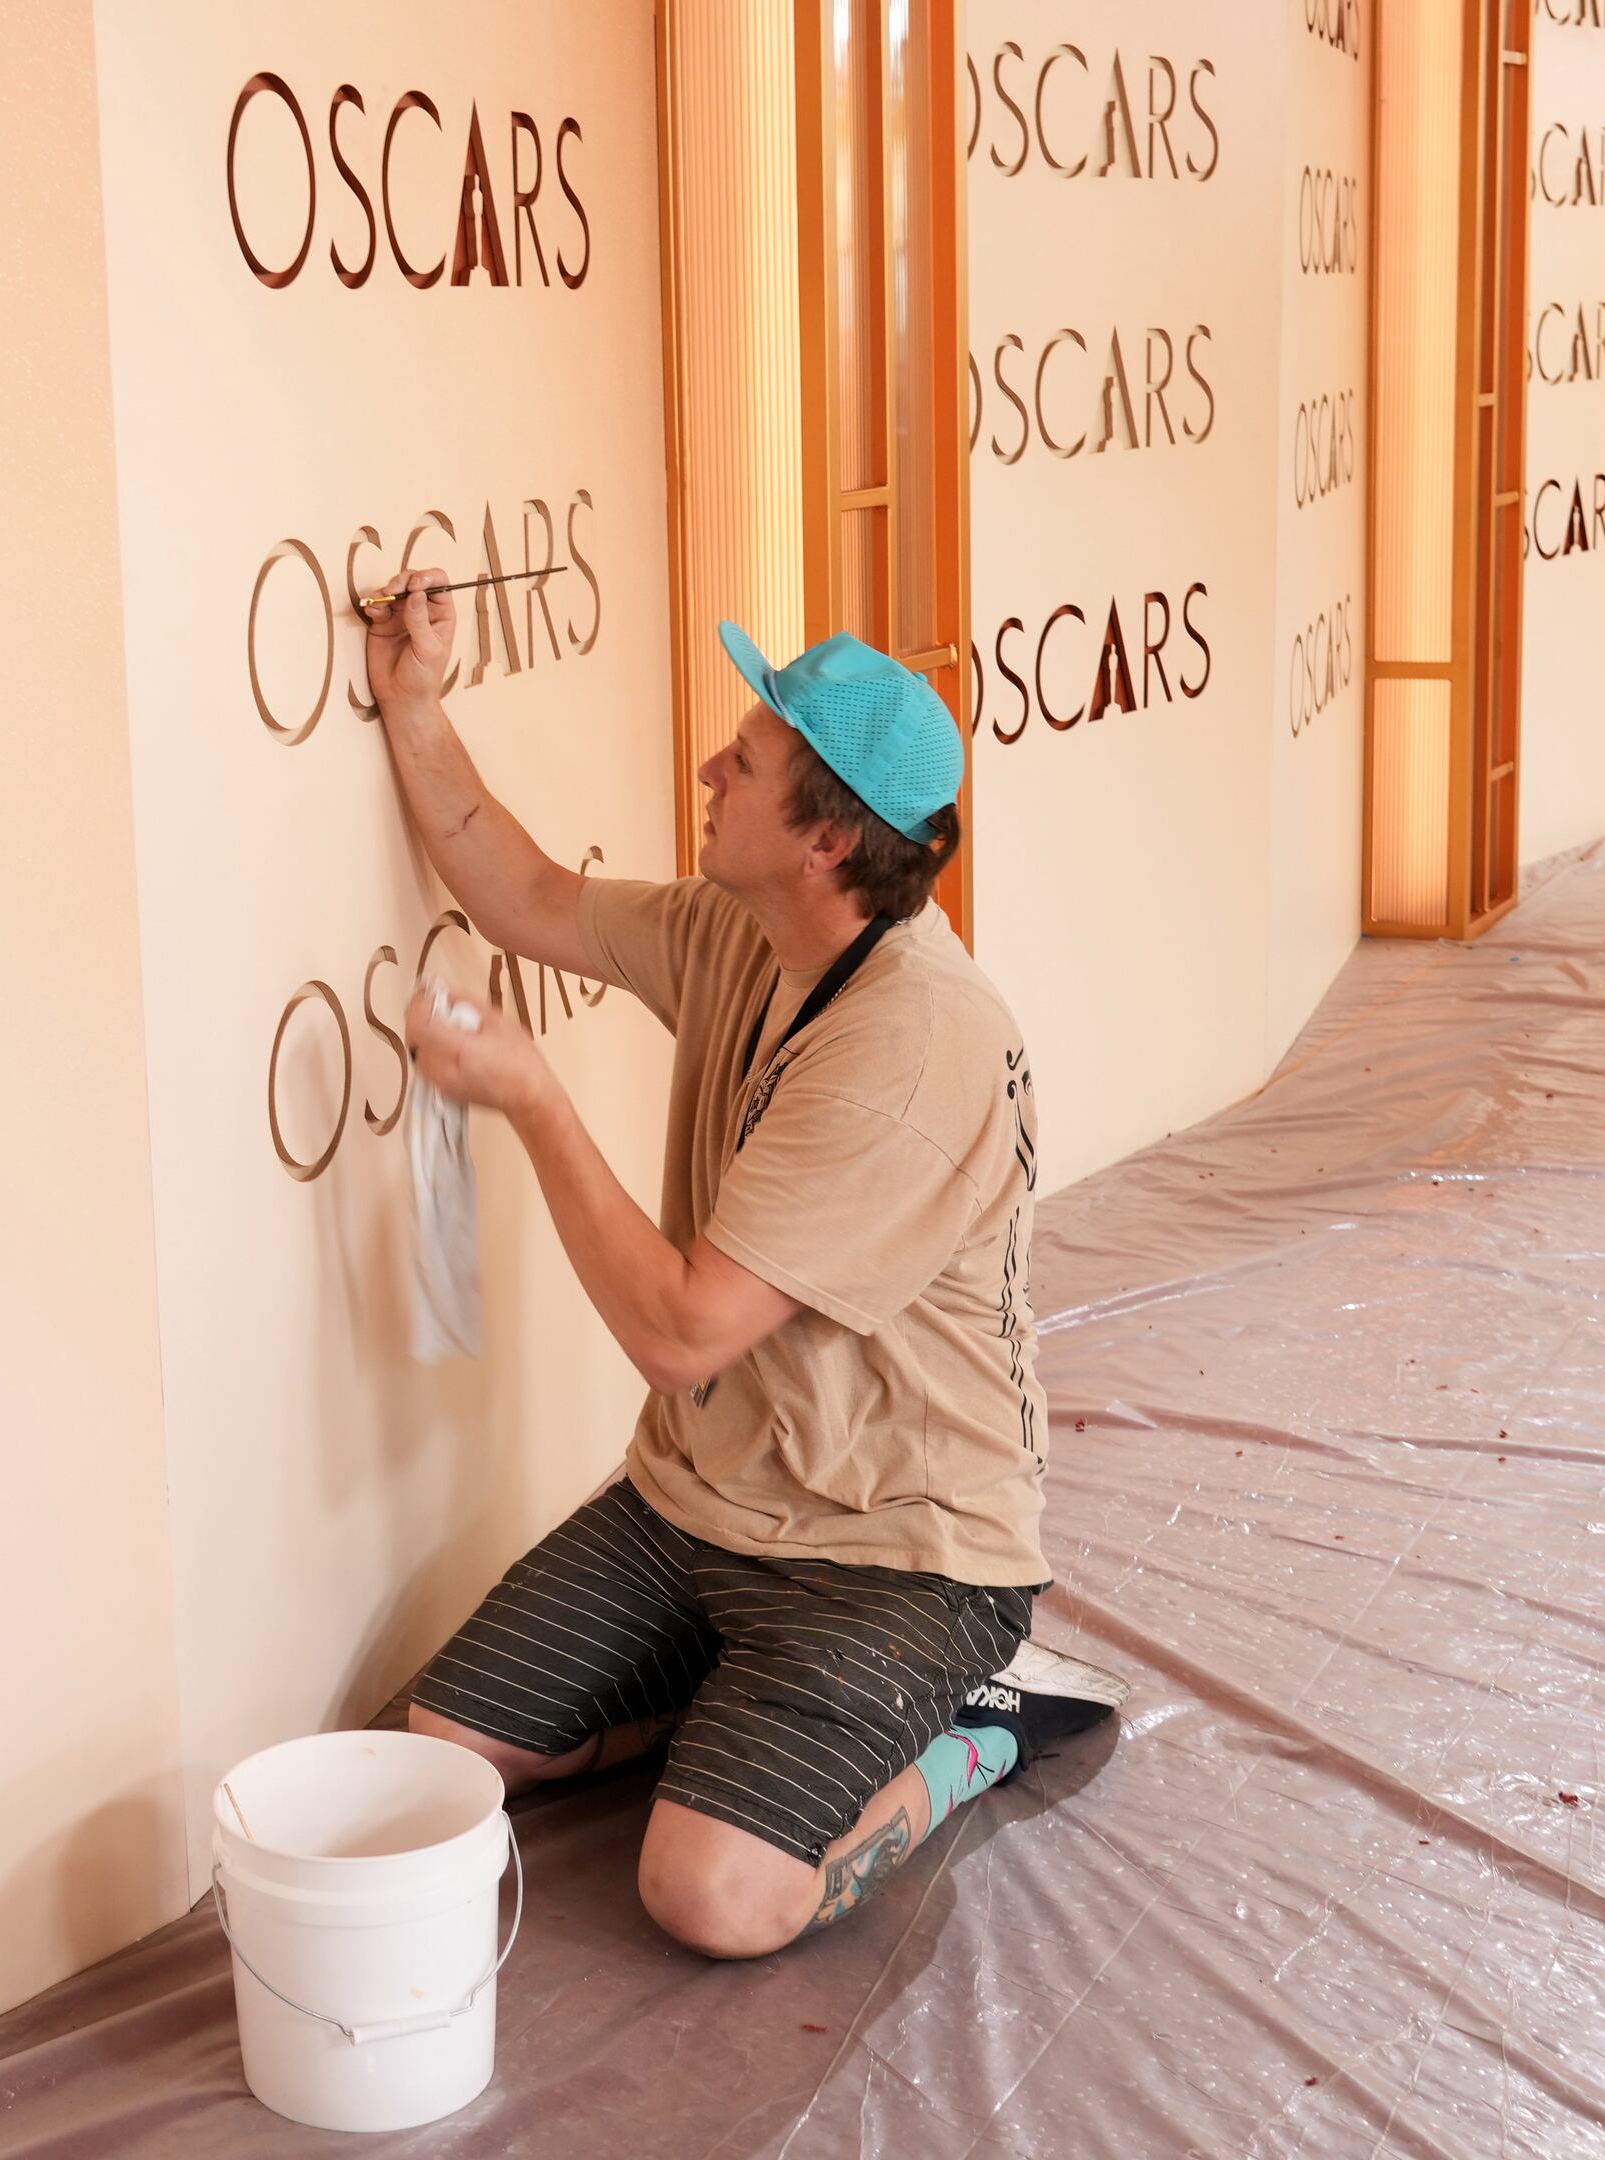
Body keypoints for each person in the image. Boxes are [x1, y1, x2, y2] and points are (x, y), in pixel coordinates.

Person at [366, 577, 1126, 1960]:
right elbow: (519, 887)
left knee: (713, 1897)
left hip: (900, 1554)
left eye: (748, 759)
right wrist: (415, 696)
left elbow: (683, 1336)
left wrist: (535, 1099)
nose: (712, 767)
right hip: (702, 1503)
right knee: (439, 1749)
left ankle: (979, 1730)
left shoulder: (912, 1046)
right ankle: (741, 1704)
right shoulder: (745, 932)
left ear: (829, 841)